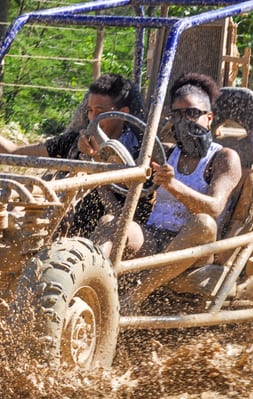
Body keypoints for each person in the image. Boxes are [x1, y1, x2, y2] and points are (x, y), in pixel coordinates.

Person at [91, 72, 242, 310]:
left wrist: (172, 184)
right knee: (113, 223)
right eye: (178, 114)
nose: (185, 121)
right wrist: (99, 173)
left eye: (192, 113)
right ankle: (88, 286)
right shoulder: (165, 153)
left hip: (197, 248)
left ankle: (134, 297)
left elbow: (214, 208)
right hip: (155, 237)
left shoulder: (223, 157)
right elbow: (125, 176)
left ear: (209, 118)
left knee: (203, 223)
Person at [0, 73, 151, 236]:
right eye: (90, 111)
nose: (93, 118)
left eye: (100, 112)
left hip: (98, 235)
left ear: (123, 113)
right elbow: (12, 152)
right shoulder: (74, 141)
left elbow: (128, 210)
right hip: (55, 221)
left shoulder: (140, 153)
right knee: (3, 211)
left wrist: (94, 161)